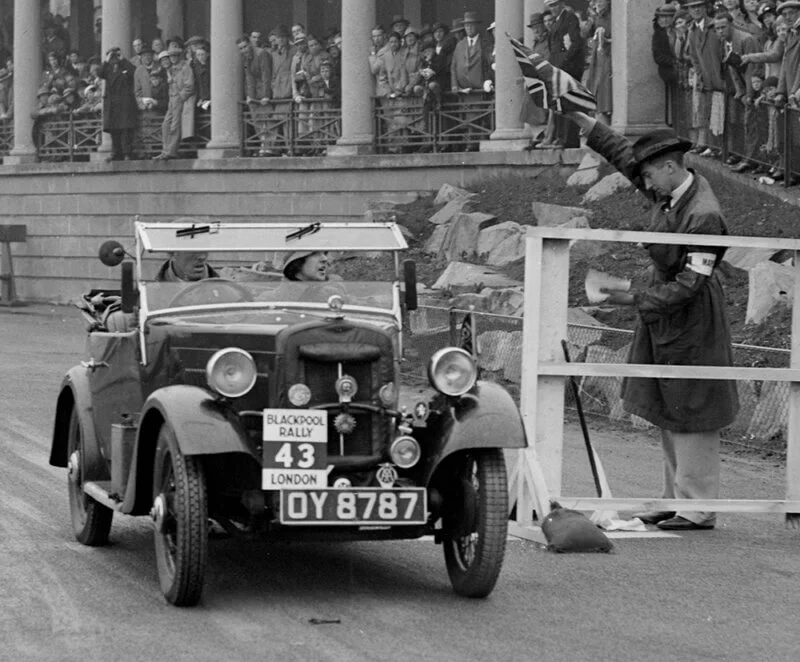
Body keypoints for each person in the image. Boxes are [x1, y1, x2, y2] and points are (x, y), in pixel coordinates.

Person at [564, 109, 740, 531]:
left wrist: (633, 297)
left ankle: (697, 506)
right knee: (667, 403)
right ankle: (675, 496)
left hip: (692, 316)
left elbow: (690, 285)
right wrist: (591, 126)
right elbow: (629, 160)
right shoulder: (671, 189)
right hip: (667, 311)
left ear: (669, 167)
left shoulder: (703, 215)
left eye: (648, 176)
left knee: (693, 406)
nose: (642, 183)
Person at [686, 0, 725, 157]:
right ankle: (711, 146)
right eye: (692, 7)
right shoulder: (692, 30)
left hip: (719, 78)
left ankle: (723, 149)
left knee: (723, 115)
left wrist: (721, 77)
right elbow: (694, 57)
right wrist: (700, 75)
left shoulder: (714, 26)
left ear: (705, 8)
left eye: (698, 6)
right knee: (707, 113)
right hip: (705, 79)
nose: (696, 10)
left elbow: (722, 51)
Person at [544, 0, 585, 147]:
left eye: (555, 5)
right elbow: (552, 47)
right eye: (551, 6)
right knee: (559, 105)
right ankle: (560, 138)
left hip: (567, 68)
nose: (553, 8)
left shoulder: (569, 18)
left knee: (568, 104)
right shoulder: (557, 21)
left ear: (561, 3)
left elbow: (576, 42)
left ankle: (569, 140)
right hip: (557, 68)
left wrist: (564, 60)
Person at [153, 46, 195, 160]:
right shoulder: (171, 70)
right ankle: (165, 150)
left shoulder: (185, 67)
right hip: (172, 99)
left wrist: (181, 97)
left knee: (175, 125)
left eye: (175, 56)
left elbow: (190, 86)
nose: (173, 58)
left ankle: (171, 151)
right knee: (166, 124)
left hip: (180, 99)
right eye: (171, 56)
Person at [99, 46, 139, 161]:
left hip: (124, 102)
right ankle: (116, 152)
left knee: (126, 129)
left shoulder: (125, 66)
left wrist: (123, 59)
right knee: (114, 129)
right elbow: (101, 73)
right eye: (112, 56)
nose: (114, 59)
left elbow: (133, 73)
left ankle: (127, 153)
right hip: (112, 103)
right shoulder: (108, 69)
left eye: (116, 56)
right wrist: (106, 60)